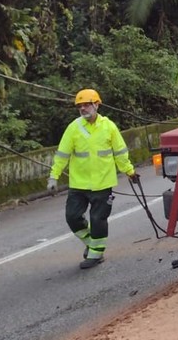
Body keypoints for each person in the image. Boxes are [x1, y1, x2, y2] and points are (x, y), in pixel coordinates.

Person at [48, 89, 139, 269]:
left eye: (87, 104)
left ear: (97, 104)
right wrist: (53, 177)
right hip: (79, 184)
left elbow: (120, 152)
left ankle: (96, 255)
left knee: (98, 219)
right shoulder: (74, 128)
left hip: (102, 184)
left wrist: (130, 171)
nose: (83, 108)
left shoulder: (109, 127)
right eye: (80, 106)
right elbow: (62, 155)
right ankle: (92, 244)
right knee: (72, 217)